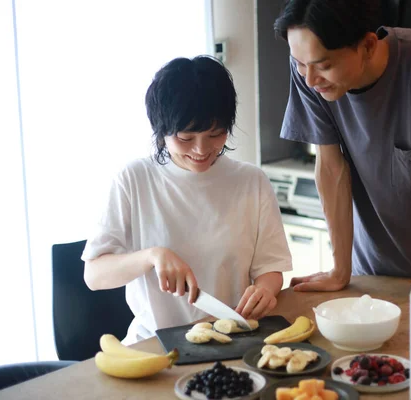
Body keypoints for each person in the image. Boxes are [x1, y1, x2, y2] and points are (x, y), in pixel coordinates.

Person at [82, 56, 292, 344]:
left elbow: (270, 268)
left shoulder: (251, 182)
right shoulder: (133, 179)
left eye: (215, 134)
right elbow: (94, 275)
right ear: (162, 132)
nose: (201, 150)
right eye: (185, 137)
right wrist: (152, 256)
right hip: (154, 343)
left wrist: (266, 290)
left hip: (231, 339)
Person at [273, 0, 411, 291]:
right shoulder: (308, 73)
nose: (309, 78)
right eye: (300, 64)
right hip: (370, 268)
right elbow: (331, 168)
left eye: (324, 66)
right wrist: (340, 271)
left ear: (368, 46)